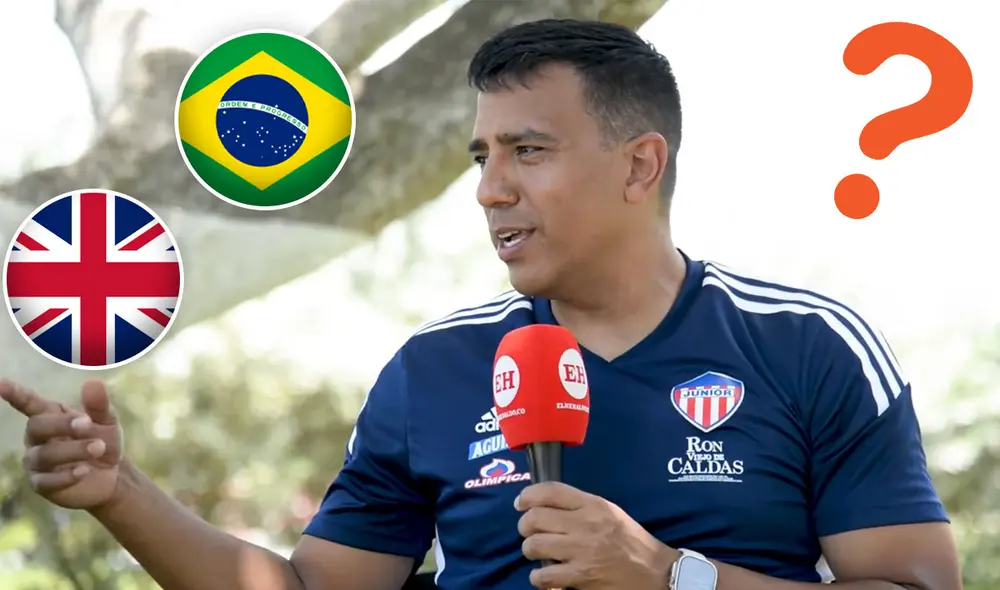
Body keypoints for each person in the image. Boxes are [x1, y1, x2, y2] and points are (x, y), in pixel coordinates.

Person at [0, 18, 962, 590]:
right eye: (481, 156)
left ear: (640, 165)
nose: (490, 190)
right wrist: (120, 494)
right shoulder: (435, 369)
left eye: (527, 152)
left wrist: (673, 576)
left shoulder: (808, 346)